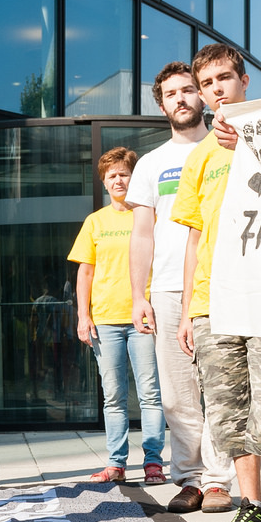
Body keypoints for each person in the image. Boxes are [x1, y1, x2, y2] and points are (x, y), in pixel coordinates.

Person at [174, 44, 261, 522]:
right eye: (207, 84)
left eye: (225, 78)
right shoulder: (199, 158)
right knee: (228, 414)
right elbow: (194, 238)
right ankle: (250, 508)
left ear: (245, 80)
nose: (217, 90)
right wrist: (188, 310)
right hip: (213, 302)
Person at [128, 63, 235, 513]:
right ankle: (189, 477)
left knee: (221, 388)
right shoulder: (151, 164)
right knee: (175, 393)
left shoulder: (228, 145)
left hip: (223, 283)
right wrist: (138, 295)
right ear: (161, 104)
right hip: (168, 289)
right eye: (171, 93)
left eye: (189, 90)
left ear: (201, 95)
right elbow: (141, 234)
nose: (182, 98)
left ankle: (218, 481)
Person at [70, 146, 166, 484]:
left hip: (143, 318)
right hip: (106, 320)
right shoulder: (95, 221)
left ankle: (154, 462)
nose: (118, 179)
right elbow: (85, 273)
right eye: (111, 176)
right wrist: (84, 316)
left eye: (124, 173)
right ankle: (116, 464)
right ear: (104, 183)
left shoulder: (148, 216)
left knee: (150, 393)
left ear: (133, 177)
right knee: (113, 396)